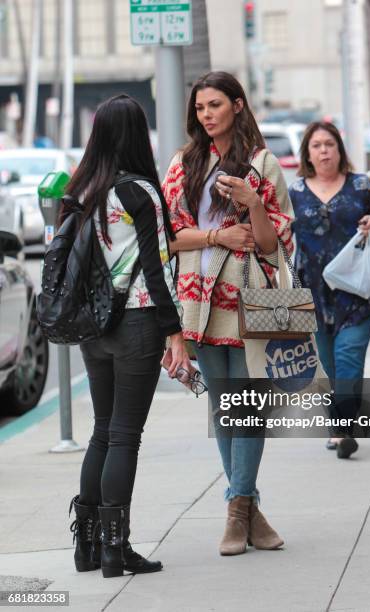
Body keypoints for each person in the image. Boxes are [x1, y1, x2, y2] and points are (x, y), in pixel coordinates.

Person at [163, 71, 293, 556]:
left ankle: (237, 508)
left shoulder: (263, 162)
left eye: (215, 104)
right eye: (200, 108)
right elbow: (169, 237)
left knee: (249, 405)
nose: (207, 114)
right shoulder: (182, 164)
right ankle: (249, 510)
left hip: (250, 296)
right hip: (197, 297)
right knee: (223, 407)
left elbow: (269, 241)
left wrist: (254, 203)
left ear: (238, 105)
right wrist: (218, 235)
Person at [66, 94, 190, 578]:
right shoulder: (139, 191)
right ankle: (117, 551)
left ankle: (88, 547)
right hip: (136, 322)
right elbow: (157, 270)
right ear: (139, 135)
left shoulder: (83, 188)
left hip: (93, 326)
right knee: (124, 436)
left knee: (102, 430)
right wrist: (175, 331)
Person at [289, 121, 370, 459]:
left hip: (358, 291)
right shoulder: (295, 192)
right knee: (329, 365)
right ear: (308, 154)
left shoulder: (360, 186)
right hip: (314, 294)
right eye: (316, 145)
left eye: (329, 144)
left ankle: (343, 427)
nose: (323, 151)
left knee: (349, 356)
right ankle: (338, 426)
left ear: (339, 150)